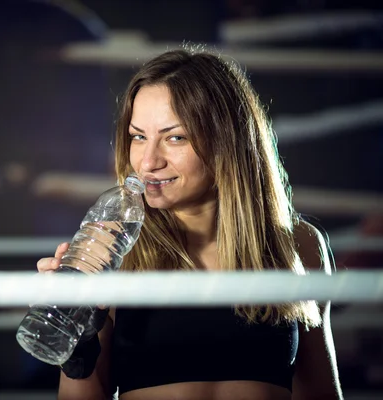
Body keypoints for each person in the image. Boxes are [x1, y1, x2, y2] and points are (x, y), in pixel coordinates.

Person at [36, 45, 343, 400]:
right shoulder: (114, 246)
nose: (148, 161)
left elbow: (321, 394)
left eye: (174, 137)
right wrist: (77, 348)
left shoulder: (298, 244)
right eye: (138, 137)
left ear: (225, 140)